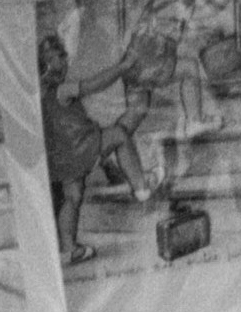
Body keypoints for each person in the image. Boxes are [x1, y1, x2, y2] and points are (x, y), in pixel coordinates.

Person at [37, 30, 156, 266]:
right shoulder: (61, 90)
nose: (66, 60)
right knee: (119, 135)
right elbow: (95, 84)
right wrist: (123, 67)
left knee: (72, 198)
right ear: (49, 63)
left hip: (63, 159)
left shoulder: (40, 94)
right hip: (81, 147)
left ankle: (68, 249)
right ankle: (141, 187)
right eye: (61, 56)